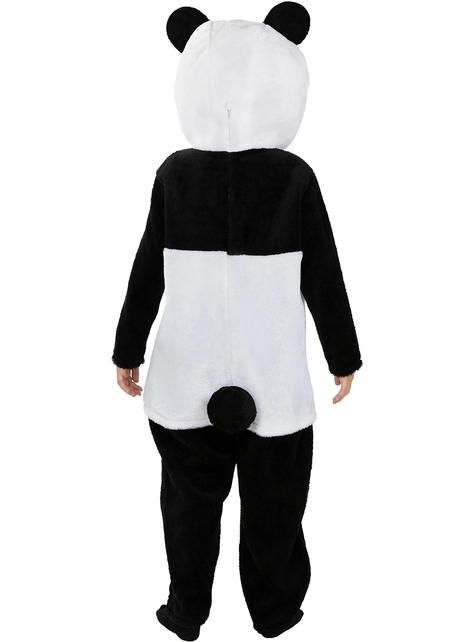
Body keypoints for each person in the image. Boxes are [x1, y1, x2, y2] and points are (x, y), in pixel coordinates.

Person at [112, 4, 362, 640]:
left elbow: (146, 270)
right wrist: (343, 356)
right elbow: (323, 274)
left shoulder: (175, 174)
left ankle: (186, 609)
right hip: (274, 377)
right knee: (277, 505)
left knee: (187, 506)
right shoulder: (293, 178)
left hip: (183, 374)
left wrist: (127, 348)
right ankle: (275, 612)